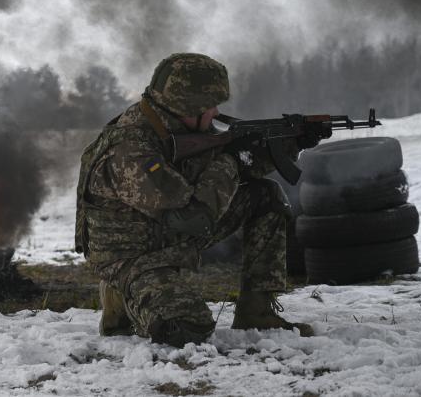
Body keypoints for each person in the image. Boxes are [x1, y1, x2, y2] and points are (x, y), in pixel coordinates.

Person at [75, 53, 314, 347]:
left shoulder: (178, 127)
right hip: (131, 254)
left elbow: (233, 171)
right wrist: (231, 161)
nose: (215, 112)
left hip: (163, 234)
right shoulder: (132, 148)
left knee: (265, 195)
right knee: (188, 329)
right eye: (209, 106)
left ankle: (257, 311)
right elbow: (193, 217)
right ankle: (122, 294)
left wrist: (284, 147)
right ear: (186, 106)